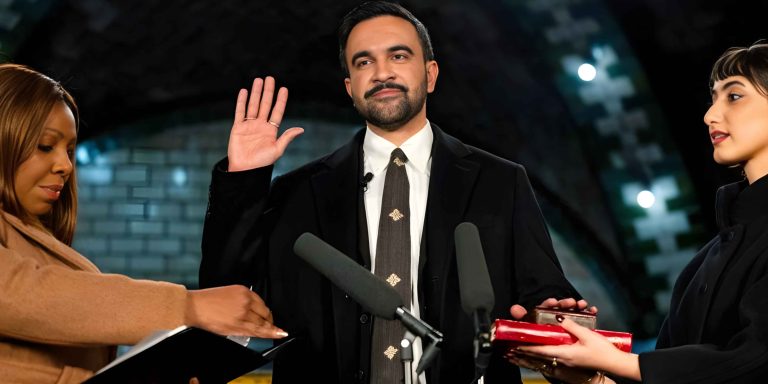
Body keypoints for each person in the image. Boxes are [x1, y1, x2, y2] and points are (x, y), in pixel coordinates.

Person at [200, 2, 591, 383]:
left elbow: (544, 297)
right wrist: (244, 178)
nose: (381, 72)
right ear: (350, 88)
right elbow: (225, 295)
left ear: (431, 74)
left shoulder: (500, 182)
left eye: (399, 56)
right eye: (364, 62)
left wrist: (553, 317)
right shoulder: (295, 193)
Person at [0, 63, 286, 384]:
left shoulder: (32, 238)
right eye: (46, 146)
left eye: (69, 150)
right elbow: (20, 292)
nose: (65, 165)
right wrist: (188, 306)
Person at [515, 42, 768, 383]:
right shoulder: (704, 262)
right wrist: (588, 373)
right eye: (713, 97)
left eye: (734, 96)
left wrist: (621, 363)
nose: (710, 115)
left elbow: (753, 358)